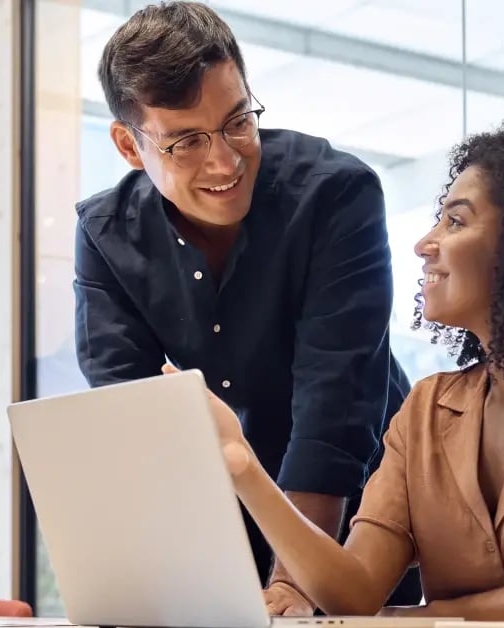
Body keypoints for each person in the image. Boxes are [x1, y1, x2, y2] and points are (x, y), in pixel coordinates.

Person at [171, 121, 504, 625]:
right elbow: (355, 591)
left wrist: (417, 620)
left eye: (455, 221)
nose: (424, 243)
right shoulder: (429, 408)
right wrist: (243, 468)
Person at [72, 0, 421, 614]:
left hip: (358, 534)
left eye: (238, 121)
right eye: (186, 142)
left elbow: (334, 404)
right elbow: (133, 416)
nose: (227, 162)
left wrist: (295, 577)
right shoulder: (107, 235)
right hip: (216, 543)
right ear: (130, 145)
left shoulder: (335, 197)